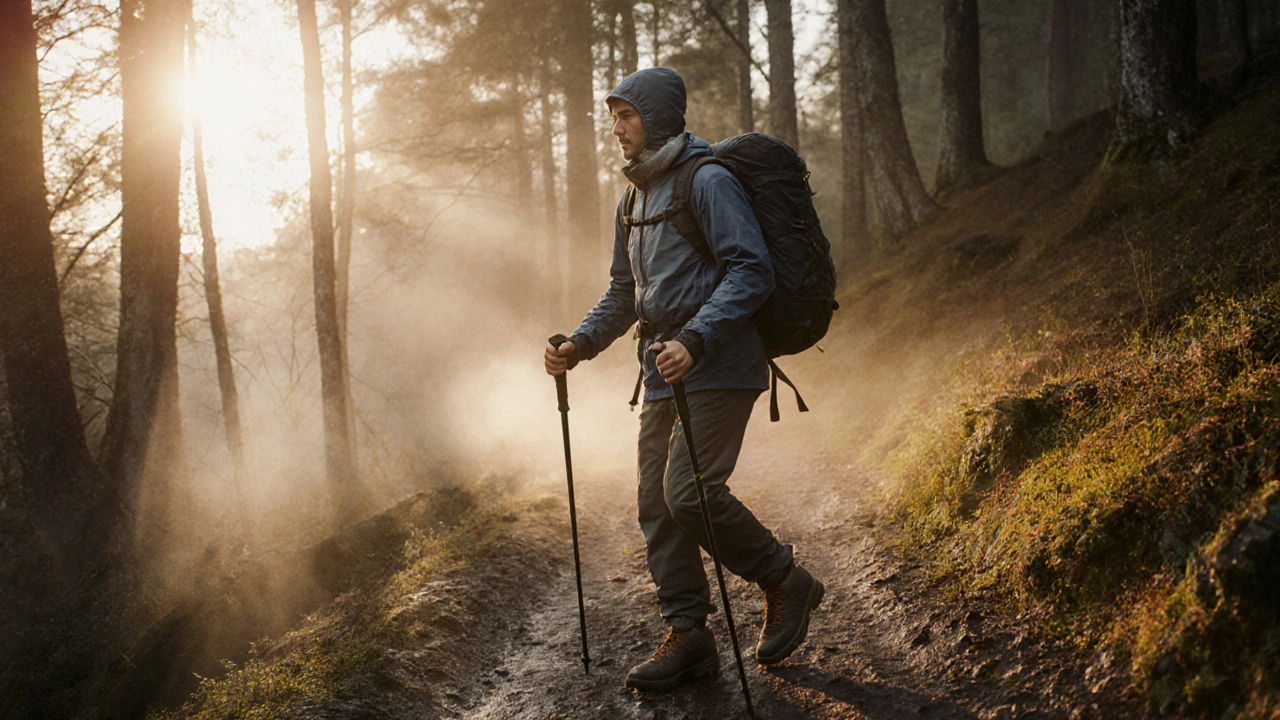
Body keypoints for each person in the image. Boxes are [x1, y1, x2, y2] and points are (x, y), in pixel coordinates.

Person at [544, 67, 824, 691]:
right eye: (613, 116)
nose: (616, 128)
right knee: (656, 504)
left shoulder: (708, 181)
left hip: (719, 361)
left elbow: (750, 270)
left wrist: (695, 340)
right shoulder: (634, 196)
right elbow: (625, 291)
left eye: (627, 116)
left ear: (659, 117)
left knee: (690, 493)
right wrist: (580, 342)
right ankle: (690, 635)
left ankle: (786, 580)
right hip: (662, 368)